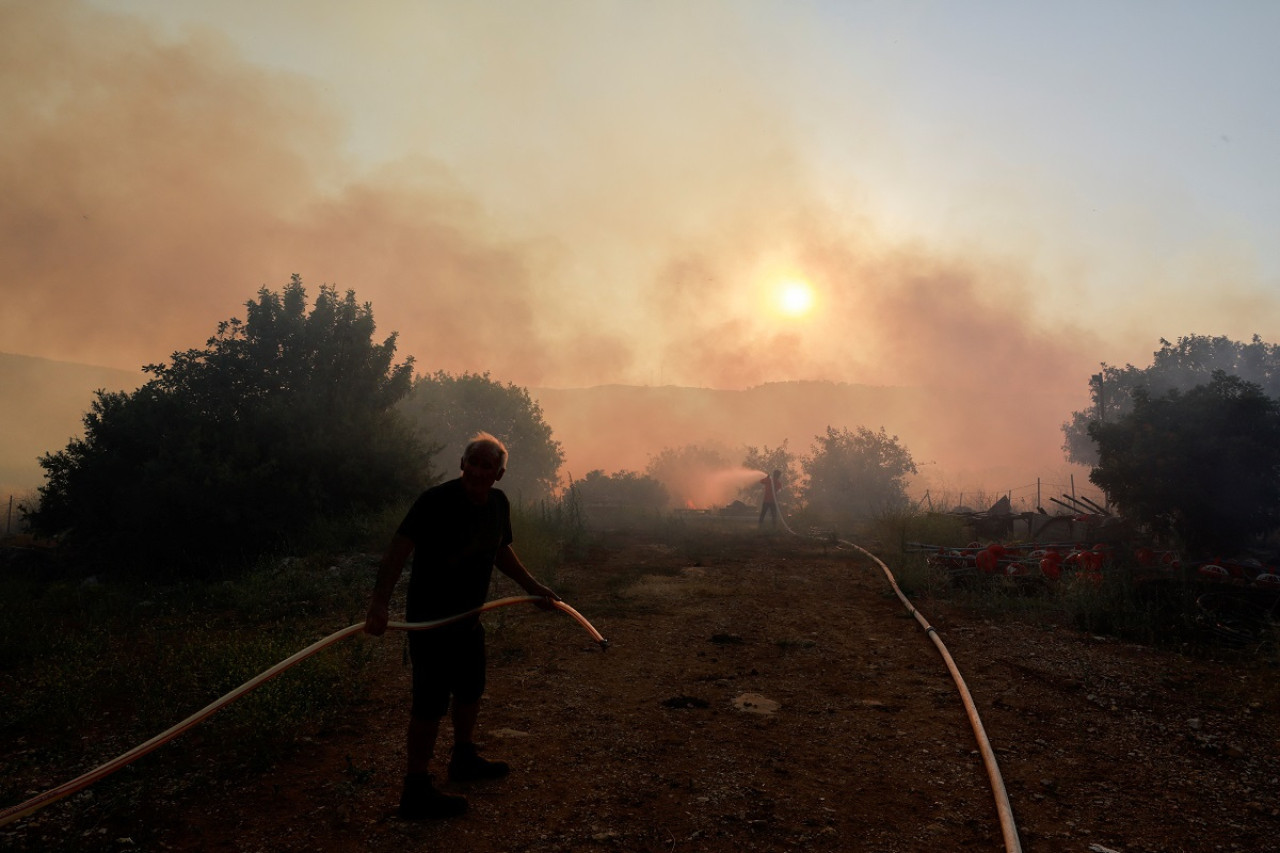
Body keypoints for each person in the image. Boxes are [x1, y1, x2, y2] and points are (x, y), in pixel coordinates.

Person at [364, 432, 560, 820]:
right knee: (429, 705)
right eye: (473, 461)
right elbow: (397, 552)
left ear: (498, 474)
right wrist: (379, 604)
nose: (478, 470)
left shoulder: (498, 505)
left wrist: (533, 587)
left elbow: (500, 551)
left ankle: (464, 759)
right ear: (461, 464)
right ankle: (415, 790)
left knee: (470, 691)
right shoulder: (434, 501)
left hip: (469, 620)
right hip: (431, 624)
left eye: (488, 465)